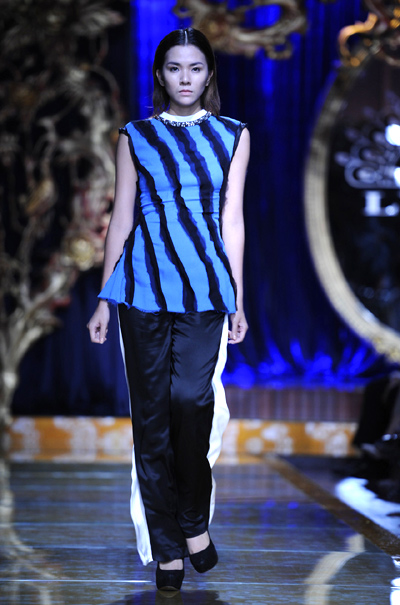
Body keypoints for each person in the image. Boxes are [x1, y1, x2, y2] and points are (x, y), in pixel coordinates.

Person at [87, 27, 250, 591]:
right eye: (175, 68)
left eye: (195, 68)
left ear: (209, 75)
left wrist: (237, 297)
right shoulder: (135, 136)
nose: (185, 78)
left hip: (205, 286)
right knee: (151, 421)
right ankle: (169, 549)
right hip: (141, 287)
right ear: (160, 74)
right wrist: (104, 297)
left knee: (191, 402)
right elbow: (121, 219)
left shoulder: (233, 135)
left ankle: (192, 520)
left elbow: (232, 220)